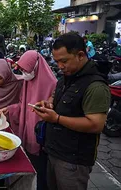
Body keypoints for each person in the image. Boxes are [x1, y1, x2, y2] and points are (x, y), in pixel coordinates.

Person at [33, 33, 110, 190]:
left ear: (80, 55)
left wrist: (57, 118)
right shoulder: (65, 78)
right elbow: (54, 98)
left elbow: (96, 124)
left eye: (64, 61)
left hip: (73, 160)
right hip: (53, 150)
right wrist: (47, 104)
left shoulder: (95, 86)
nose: (60, 66)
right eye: (57, 61)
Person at [0, 50, 57, 190]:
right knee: (29, 166)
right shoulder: (27, 81)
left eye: (25, 69)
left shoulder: (52, 84)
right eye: (22, 69)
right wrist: (10, 109)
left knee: (41, 172)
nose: (24, 72)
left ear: (35, 66)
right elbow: (23, 104)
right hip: (27, 132)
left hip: (43, 138)